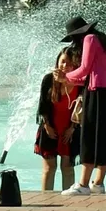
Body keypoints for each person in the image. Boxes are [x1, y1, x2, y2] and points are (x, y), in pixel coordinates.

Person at [61, 16, 106, 196]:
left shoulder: (89, 39)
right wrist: (68, 79)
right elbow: (90, 75)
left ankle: (83, 185)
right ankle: (98, 184)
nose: (73, 43)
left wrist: (65, 77)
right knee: (105, 138)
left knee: (90, 136)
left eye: (73, 38)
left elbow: (85, 69)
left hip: (96, 94)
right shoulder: (101, 40)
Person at [35, 47, 81, 192]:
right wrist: (47, 126)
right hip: (50, 127)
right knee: (50, 168)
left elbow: (82, 108)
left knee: (67, 168)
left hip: (69, 130)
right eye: (62, 62)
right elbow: (42, 105)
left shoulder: (79, 83)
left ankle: (68, 199)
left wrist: (72, 128)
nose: (64, 66)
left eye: (68, 63)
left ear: (75, 65)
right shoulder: (49, 79)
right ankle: (46, 198)